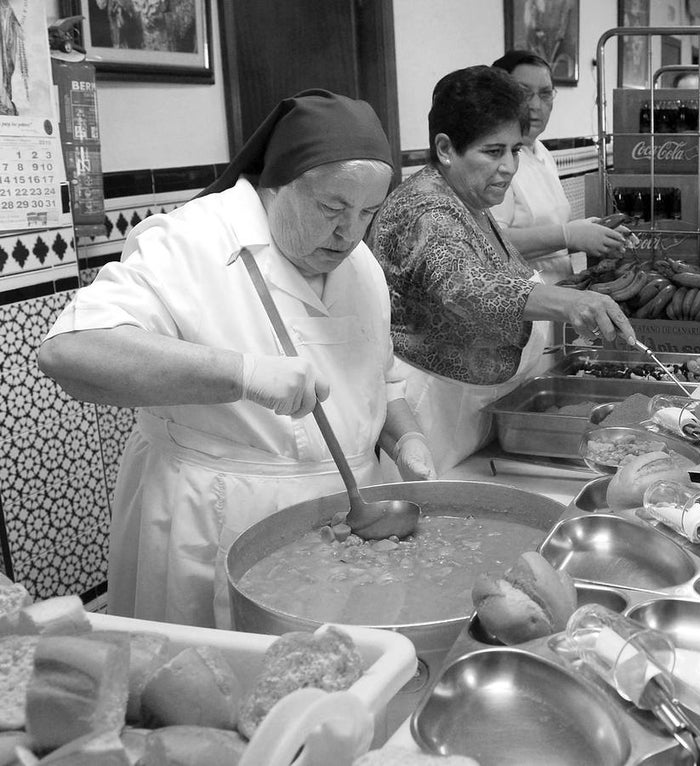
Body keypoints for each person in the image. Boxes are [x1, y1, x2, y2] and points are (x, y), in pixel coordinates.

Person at [37, 90, 436, 629]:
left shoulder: (360, 263)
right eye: (331, 209)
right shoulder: (191, 242)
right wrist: (242, 373)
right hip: (217, 519)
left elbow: (380, 378)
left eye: (368, 212)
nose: (349, 234)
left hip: (348, 522)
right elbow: (70, 351)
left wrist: (404, 439)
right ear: (274, 183)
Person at [371, 66, 636, 473]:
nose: (510, 166)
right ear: (445, 148)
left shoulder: (470, 200)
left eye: (514, 150)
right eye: (493, 152)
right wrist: (568, 302)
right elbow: (462, 286)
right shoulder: (425, 207)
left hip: (474, 408)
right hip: (431, 417)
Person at [490, 50, 629, 284]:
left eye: (545, 94)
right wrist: (569, 236)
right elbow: (491, 244)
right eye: (524, 93)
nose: (535, 105)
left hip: (557, 295)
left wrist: (595, 235)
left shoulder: (542, 152)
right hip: (519, 300)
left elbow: (550, 244)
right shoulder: (494, 161)